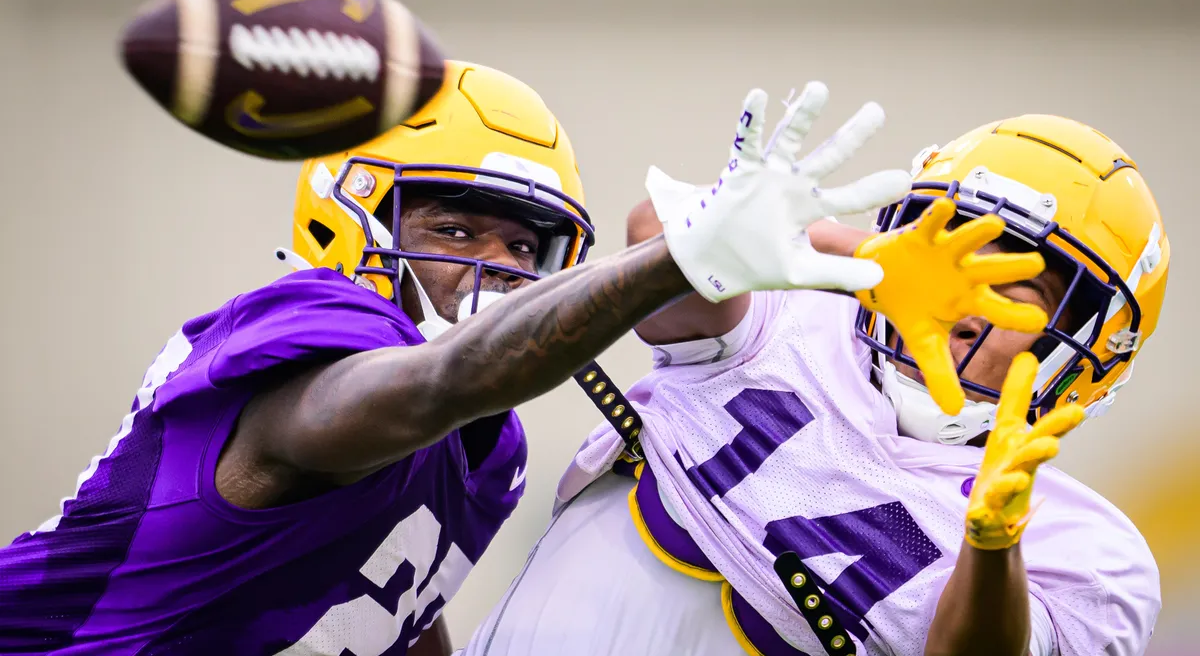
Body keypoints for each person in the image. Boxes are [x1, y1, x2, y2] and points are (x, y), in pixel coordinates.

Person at [0, 64, 945, 656]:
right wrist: (678, 261)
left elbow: (381, 607)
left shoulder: (488, 449)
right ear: (350, 214)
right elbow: (448, 376)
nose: (492, 268)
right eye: (453, 226)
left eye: (521, 248)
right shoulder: (314, 324)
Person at [462, 111, 1169, 656]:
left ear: (1091, 349)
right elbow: (660, 243)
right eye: (947, 251)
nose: (960, 304)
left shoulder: (1093, 553)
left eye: (1013, 286)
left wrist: (993, 543)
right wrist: (853, 251)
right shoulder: (789, 319)